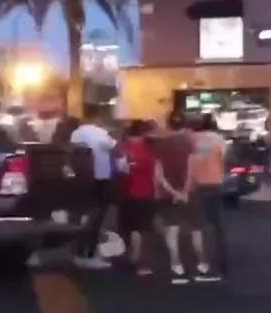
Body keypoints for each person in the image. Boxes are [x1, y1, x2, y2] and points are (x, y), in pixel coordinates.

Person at [69, 107, 121, 270]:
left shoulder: (76, 133)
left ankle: (78, 252)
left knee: (81, 215)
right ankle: (90, 254)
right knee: (96, 218)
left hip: (81, 178)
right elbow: (116, 150)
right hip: (100, 179)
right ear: (97, 117)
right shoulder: (101, 133)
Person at [152, 112, 198, 284]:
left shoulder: (160, 144)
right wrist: (184, 191)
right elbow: (191, 170)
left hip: (166, 193)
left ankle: (175, 262)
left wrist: (172, 192)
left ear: (168, 124)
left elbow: (159, 174)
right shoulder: (189, 143)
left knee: (171, 229)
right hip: (186, 192)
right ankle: (194, 263)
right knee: (191, 228)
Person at [187, 113, 227, 281]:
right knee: (216, 225)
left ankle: (207, 265)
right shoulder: (218, 139)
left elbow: (188, 163)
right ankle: (220, 262)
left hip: (197, 185)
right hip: (215, 183)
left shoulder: (190, 140)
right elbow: (224, 159)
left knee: (200, 226)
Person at [119, 120, 160, 276]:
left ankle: (132, 256)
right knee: (144, 229)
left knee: (130, 228)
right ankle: (141, 262)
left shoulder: (124, 149)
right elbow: (157, 172)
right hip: (147, 192)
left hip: (127, 193)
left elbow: (120, 171)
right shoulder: (151, 148)